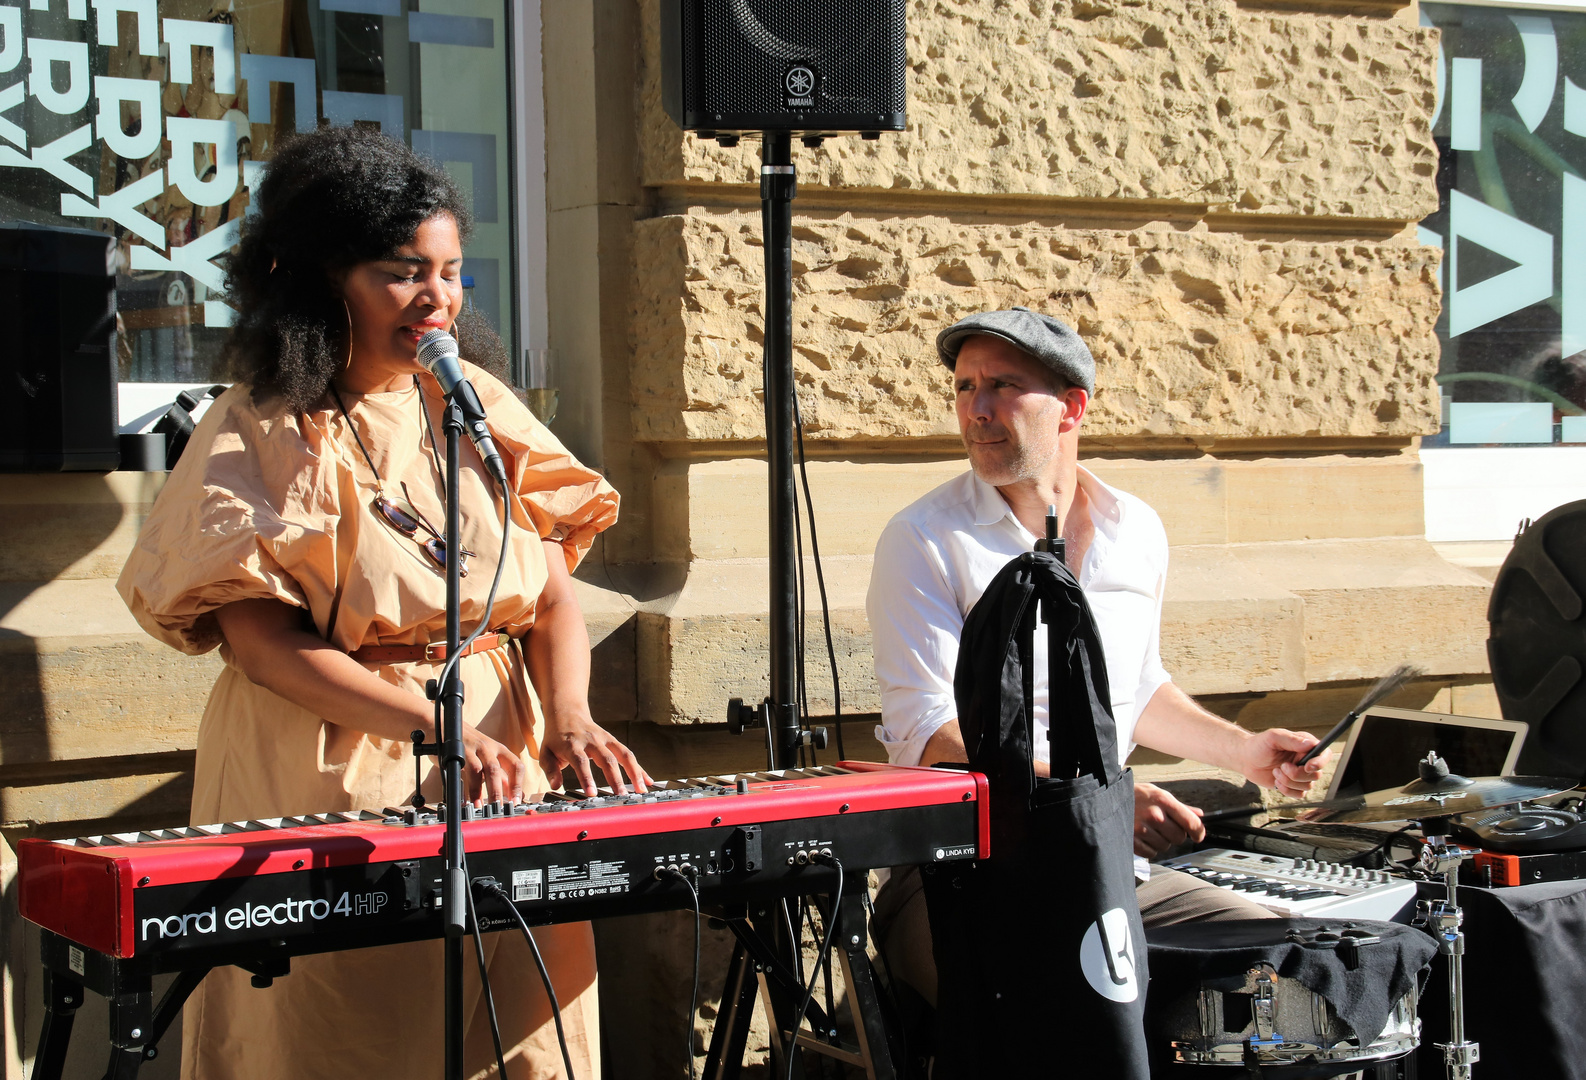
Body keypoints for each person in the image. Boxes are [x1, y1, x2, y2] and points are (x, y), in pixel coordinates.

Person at [117, 126, 647, 1080]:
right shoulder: (258, 429)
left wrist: (568, 712)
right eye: (405, 272)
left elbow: (549, 588)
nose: (437, 296)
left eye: (450, 271)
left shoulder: (472, 402)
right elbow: (264, 643)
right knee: (344, 1035)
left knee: (520, 1036)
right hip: (332, 762)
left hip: (500, 765)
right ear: (325, 279)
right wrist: (430, 721)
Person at [865, 306, 1330, 1006]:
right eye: (964, 387)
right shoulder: (925, 540)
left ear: (1072, 407)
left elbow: (1135, 694)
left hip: (1105, 865)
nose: (977, 410)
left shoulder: (1134, 528)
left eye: (1002, 386)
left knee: (1280, 964)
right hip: (960, 871)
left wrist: (1245, 751)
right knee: (1072, 1000)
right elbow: (932, 738)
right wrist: (1103, 800)